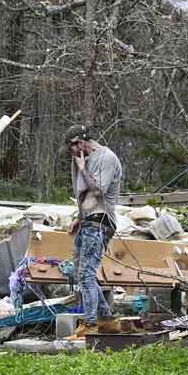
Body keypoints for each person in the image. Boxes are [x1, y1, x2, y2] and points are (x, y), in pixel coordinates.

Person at [65, 124, 122, 329]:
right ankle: (106, 315)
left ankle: (90, 322)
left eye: (70, 148)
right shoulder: (84, 159)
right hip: (88, 222)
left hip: (100, 223)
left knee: (87, 273)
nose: (70, 154)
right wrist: (79, 218)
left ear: (79, 143)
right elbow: (86, 198)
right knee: (80, 271)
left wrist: (82, 168)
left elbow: (98, 192)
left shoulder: (106, 158)